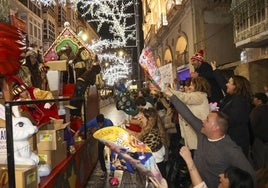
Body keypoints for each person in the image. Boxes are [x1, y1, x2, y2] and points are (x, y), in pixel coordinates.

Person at [162, 89, 256, 188]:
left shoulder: (230, 149)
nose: (203, 121)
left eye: (207, 120)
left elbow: (251, 176)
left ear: (216, 128)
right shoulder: (202, 133)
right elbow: (188, 115)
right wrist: (171, 95)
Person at [211, 62, 252, 156]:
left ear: (236, 86)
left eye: (229, 83)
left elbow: (232, 120)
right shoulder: (232, 97)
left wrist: (217, 116)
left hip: (237, 140)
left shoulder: (239, 101)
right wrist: (215, 71)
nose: (226, 85)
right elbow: (222, 83)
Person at [170, 77, 211, 150]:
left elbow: (183, 97)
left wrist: (168, 90)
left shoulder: (199, 95)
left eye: (191, 85)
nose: (189, 87)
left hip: (197, 133)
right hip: (194, 132)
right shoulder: (196, 96)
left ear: (198, 86)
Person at [74, 114, 113, 179]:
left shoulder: (109, 123)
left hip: (110, 136)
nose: (100, 125)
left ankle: (112, 169)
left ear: (103, 121)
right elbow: (85, 125)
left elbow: (112, 134)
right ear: (97, 122)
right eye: (99, 123)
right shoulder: (94, 121)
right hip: (101, 137)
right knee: (100, 153)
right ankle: (104, 171)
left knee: (112, 152)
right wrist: (78, 132)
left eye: (101, 123)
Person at [250, 92, 268, 169]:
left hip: (260, 139)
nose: (253, 99)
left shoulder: (256, 110)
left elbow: (252, 125)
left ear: (259, 100)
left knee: (260, 160)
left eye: (254, 98)